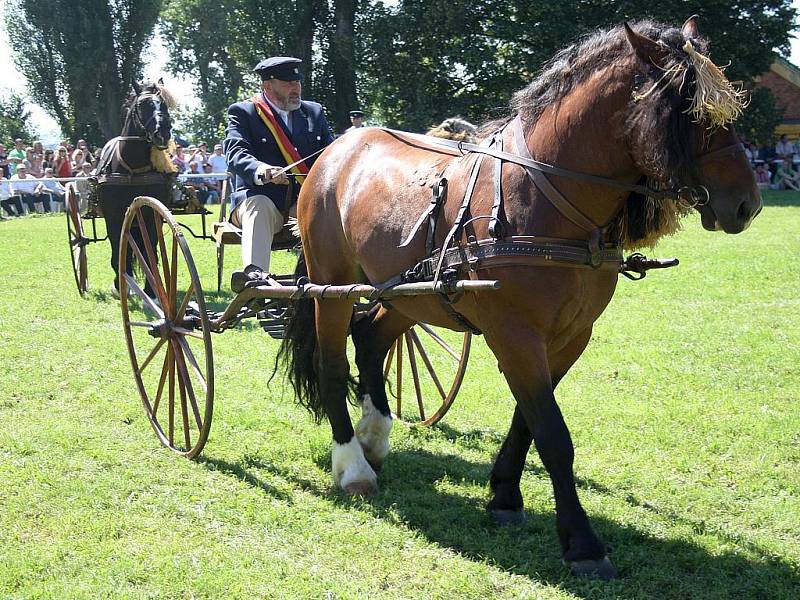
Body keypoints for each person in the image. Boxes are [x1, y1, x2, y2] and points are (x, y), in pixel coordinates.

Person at [224, 56, 334, 290]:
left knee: (332, 211)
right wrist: (261, 169)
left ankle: (335, 279)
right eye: (287, 83)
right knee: (260, 205)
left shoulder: (314, 112)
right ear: (268, 86)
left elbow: (331, 154)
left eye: (297, 82)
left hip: (301, 204)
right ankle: (255, 276)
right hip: (260, 203)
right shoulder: (244, 113)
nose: (295, 88)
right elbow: (235, 154)